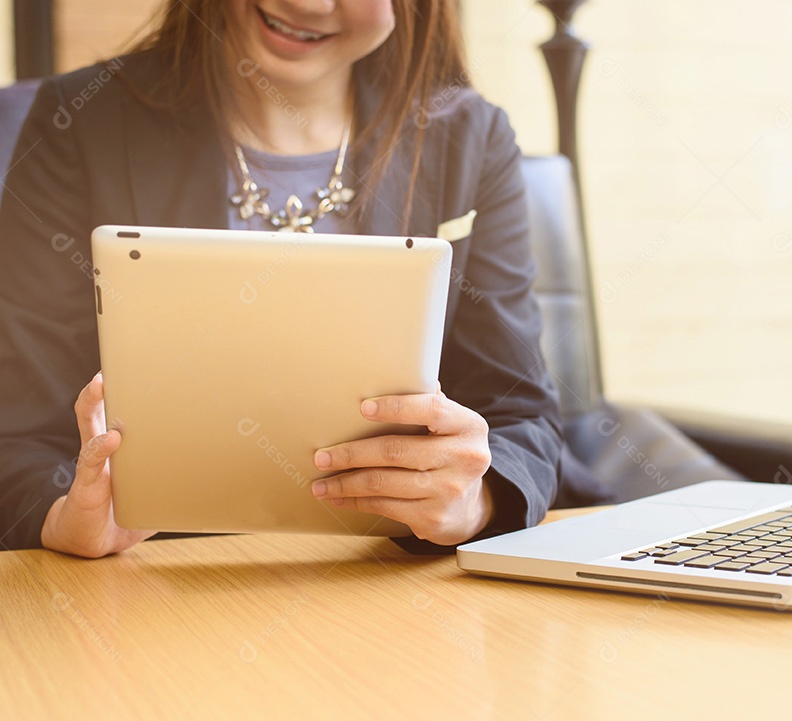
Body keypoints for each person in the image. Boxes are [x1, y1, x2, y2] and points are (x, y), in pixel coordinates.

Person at [0, 0, 564, 557]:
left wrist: (472, 503)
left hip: (384, 582)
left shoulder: (470, 136)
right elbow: (16, 433)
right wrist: (63, 520)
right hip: (151, 581)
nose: (308, 4)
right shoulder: (80, 119)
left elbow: (520, 414)